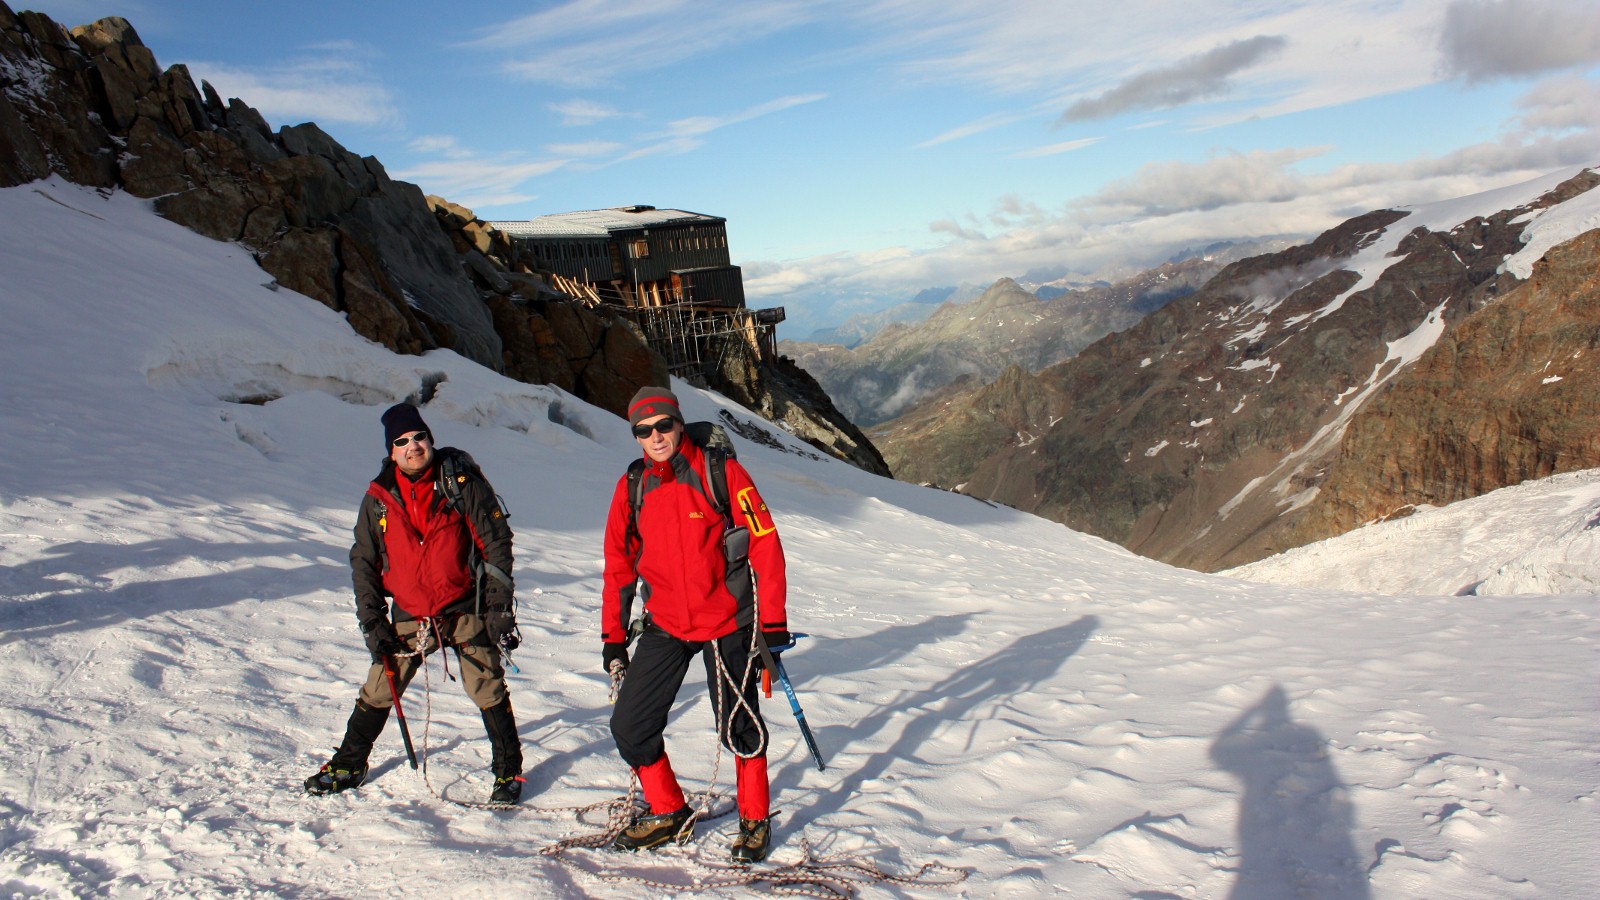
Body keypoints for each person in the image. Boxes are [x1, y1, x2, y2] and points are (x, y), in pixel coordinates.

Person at [601, 387, 791, 863]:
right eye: (643, 430)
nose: (655, 436)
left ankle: (753, 819)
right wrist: (613, 637)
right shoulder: (632, 486)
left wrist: (772, 623)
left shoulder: (720, 472)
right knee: (630, 724)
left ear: (679, 423)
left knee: (739, 724)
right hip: (666, 622)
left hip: (728, 619)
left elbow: (765, 544)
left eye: (663, 425)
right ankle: (668, 810)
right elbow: (618, 566)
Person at [305, 402, 525, 804]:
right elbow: (364, 561)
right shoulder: (378, 499)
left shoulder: (460, 481)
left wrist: (497, 608)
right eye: (402, 442)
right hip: (410, 613)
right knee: (379, 689)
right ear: (391, 451)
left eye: (419, 437)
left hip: (464, 608)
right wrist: (372, 621)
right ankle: (349, 764)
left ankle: (509, 773)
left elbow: (495, 543)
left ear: (430, 439)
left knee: (487, 686)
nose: (413, 447)